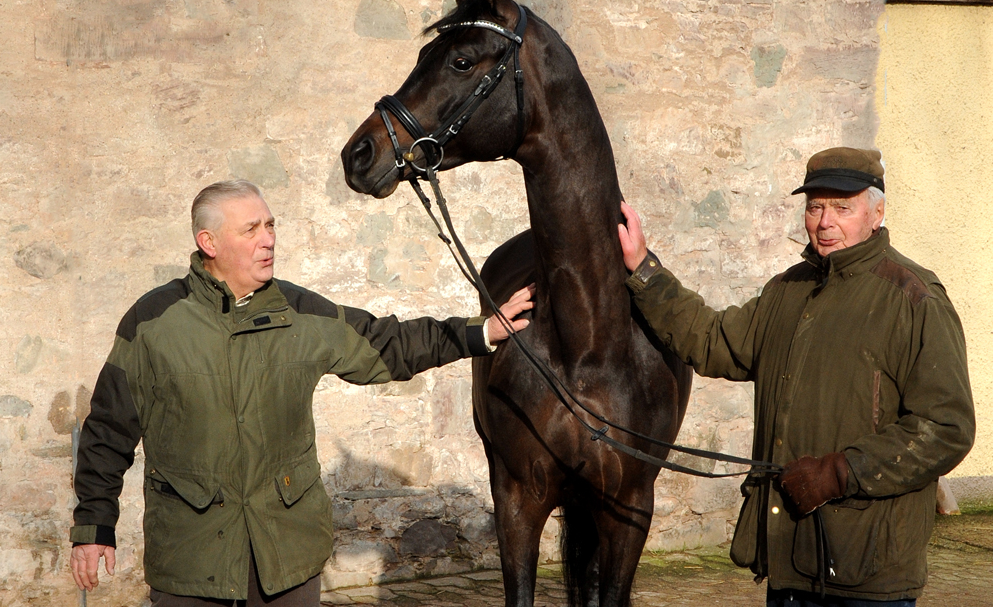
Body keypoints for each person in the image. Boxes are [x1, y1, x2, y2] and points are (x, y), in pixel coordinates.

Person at [70, 179, 534, 606]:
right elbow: (109, 429)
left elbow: (387, 344)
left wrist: (481, 332)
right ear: (208, 243)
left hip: (286, 551)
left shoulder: (301, 312)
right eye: (251, 229)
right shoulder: (153, 321)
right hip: (190, 554)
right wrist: (94, 527)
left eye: (270, 225)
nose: (268, 239)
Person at [617, 148, 974, 606]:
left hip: (868, 570)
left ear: (877, 213)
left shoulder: (914, 299)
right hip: (789, 563)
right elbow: (712, 340)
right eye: (814, 206)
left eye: (842, 207)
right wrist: (645, 269)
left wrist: (839, 472)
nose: (825, 222)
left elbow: (947, 428)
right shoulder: (787, 290)